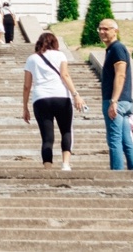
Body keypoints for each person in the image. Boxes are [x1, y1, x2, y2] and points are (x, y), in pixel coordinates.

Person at [21, 31, 85, 170]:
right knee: (66, 131)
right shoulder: (60, 55)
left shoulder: (31, 59)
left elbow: (27, 86)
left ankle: (48, 167)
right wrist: (76, 94)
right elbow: (65, 75)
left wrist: (25, 107)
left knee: (47, 136)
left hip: (41, 99)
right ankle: (66, 164)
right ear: (55, 43)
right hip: (62, 96)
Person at [96, 19, 133, 170]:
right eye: (100, 29)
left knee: (114, 140)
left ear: (116, 31)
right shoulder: (112, 49)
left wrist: (113, 101)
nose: (102, 32)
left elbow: (120, 75)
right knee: (126, 141)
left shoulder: (117, 48)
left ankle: (117, 174)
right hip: (122, 101)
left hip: (117, 101)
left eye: (106, 29)